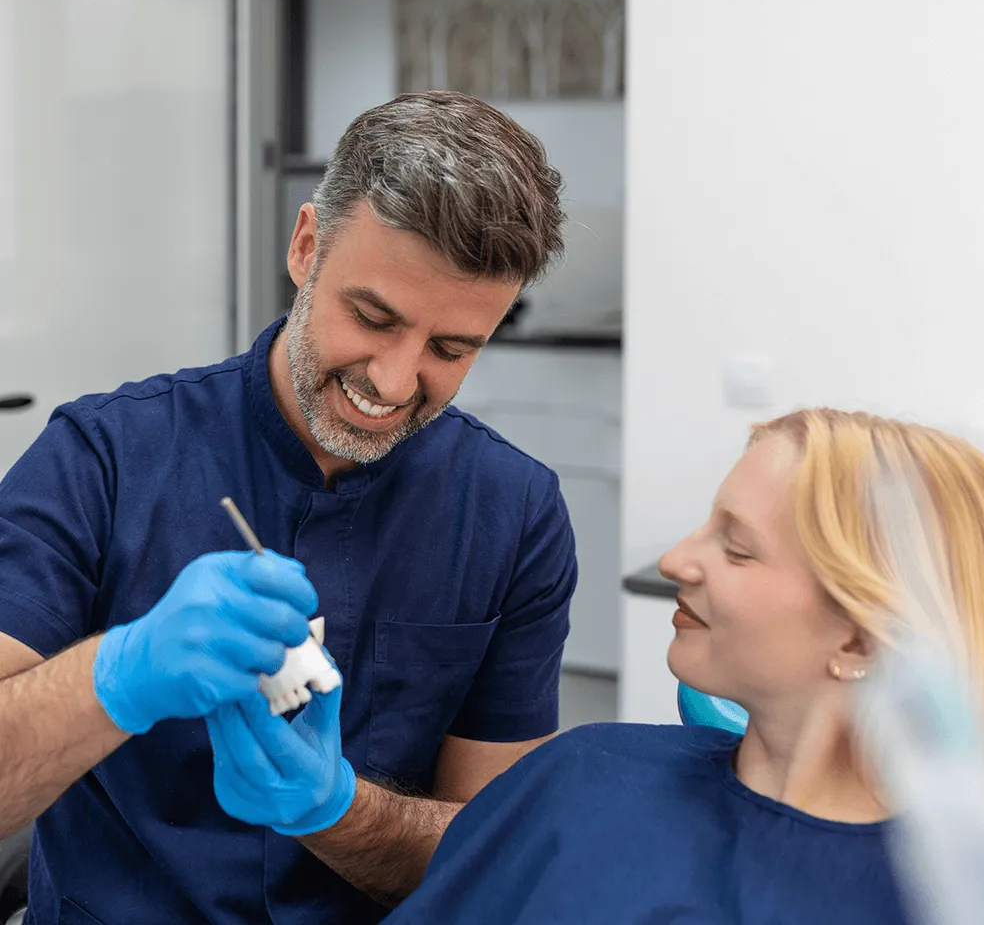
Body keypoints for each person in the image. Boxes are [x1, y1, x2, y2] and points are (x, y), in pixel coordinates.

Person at [0, 90, 577, 924]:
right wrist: (118, 675)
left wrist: (335, 811)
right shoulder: (103, 458)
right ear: (306, 246)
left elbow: (495, 858)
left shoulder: (513, 513)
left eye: (451, 350)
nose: (393, 380)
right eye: (372, 317)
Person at [384, 408, 984, 924]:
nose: (677, 559)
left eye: (737, 549)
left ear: (859, 643)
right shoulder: (582, 774)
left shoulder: (947, 893)